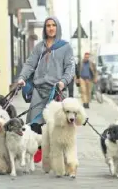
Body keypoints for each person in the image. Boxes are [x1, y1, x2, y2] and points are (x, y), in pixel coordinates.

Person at [17, 17, 75, 160]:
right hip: (39, 90)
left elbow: (70, 68)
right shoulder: (39, 47)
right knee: (34, 123)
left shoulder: (65, 47)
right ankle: (37, 150)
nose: (50, 28)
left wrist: (63, 82)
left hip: (57, 91)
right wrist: (22, 78)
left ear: (57, 27)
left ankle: (59, 155)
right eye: (48, 25)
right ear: (45, 28)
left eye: (53, 25)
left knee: (57, 125)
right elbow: (30, 64)